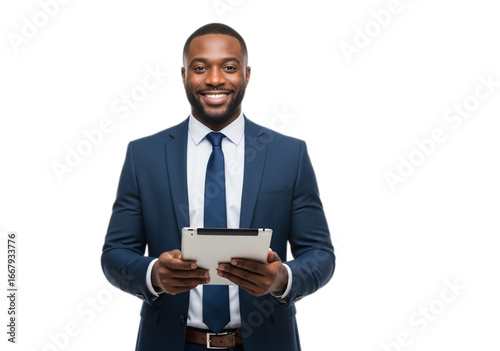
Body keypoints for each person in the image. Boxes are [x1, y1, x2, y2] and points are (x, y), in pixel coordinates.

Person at [101, 23, 335, 351]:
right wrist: (154, 274)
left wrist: (281, 279)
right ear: (184, 75)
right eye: (200, 68)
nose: (214, 79)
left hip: (267, 342)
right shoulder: (144, 155)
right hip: (171, 342)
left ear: (247, 74)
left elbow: (320, 255)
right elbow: (115, 254)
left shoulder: (289, 154)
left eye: (228, 67)